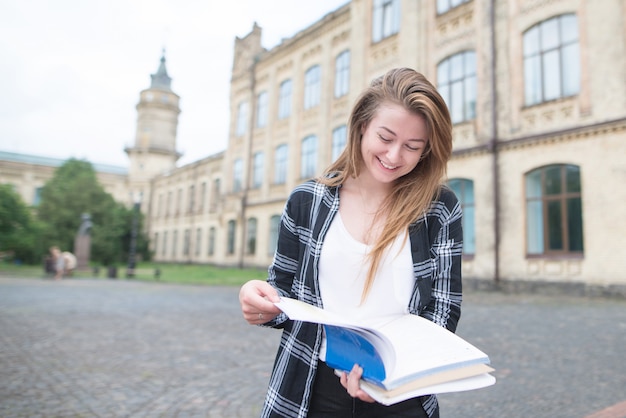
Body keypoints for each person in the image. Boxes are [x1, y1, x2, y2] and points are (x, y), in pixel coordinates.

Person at [239, 67, 463, 417]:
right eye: (385, 138)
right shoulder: (307, 201)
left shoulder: (440, 208)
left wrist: (391, 373)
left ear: (428, 150)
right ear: (362, 126)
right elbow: (282, 294)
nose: (394, 156)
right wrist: (259, 298)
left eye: (412, 147)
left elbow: (444, 309)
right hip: (309, 389)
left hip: (402, 391)